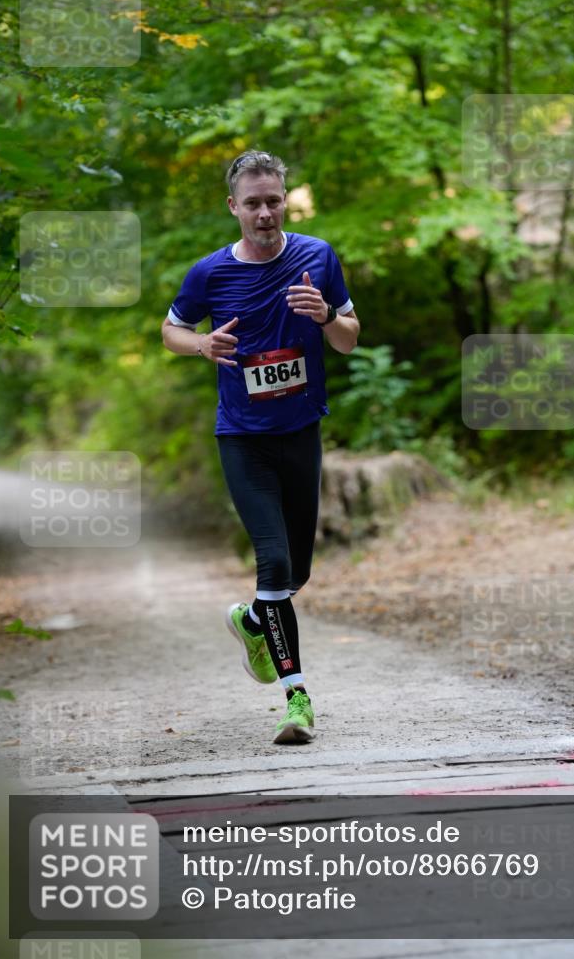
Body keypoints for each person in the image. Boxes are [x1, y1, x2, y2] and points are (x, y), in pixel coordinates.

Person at [162, 150, 360, 744]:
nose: (265, 213)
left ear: (285, 199)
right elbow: (169, 329)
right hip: (243, 438)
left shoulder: (317, 256)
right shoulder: (210, 274)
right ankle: (297, 699)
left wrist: (326, 316)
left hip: (301, 434)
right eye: (253, 203)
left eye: (273, 200)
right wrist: (202, 346)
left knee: (296, 571)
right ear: (234, 208)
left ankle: (252, 621)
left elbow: (349, 341)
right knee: (272, 563)